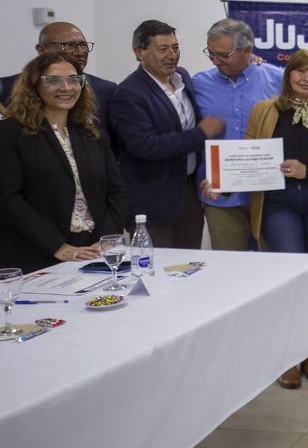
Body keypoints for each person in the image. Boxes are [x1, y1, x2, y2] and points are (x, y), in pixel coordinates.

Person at [226, 49, 308, 388]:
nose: (306, 78)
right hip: (278, 205)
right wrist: (221, 180)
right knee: (290, 280)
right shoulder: (264, 110)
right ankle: (288, 357)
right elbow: (246, 158)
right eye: (300, 71)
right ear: (288, 76)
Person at [0, 53, 126, 272]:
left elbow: (117, 193)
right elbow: (8, 198)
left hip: (93, 250)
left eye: (74, 80)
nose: (67, 87)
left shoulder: (94, 135)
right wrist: (56, 246)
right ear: (34, 85)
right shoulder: (10, 133)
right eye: (54, 80)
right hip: (38, 253)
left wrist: (105, 240)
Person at [110, 20, 223, 247]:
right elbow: (145, 145)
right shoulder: (129, 93)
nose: (172, 55)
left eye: (175, 47)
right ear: (139, 52)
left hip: (188, 194)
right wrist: (201, 133)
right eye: (163, 49)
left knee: (190, 263)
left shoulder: (183, 77)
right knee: (157, 265)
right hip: (152, 202)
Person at [192, 18, 283, 251]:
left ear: (247, 50)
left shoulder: (278, 80)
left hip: (268, 195)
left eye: (223, 55)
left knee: (276, 265)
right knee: (229, 265)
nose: (215, 61)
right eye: (211, 54)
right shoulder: (198, 84)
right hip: (219, 196)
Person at [0, 22, 118, 138]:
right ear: (41, 50)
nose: (80, 52)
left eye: (83, 45)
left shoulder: (107, 89)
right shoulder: (5, 88)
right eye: (69, 45)